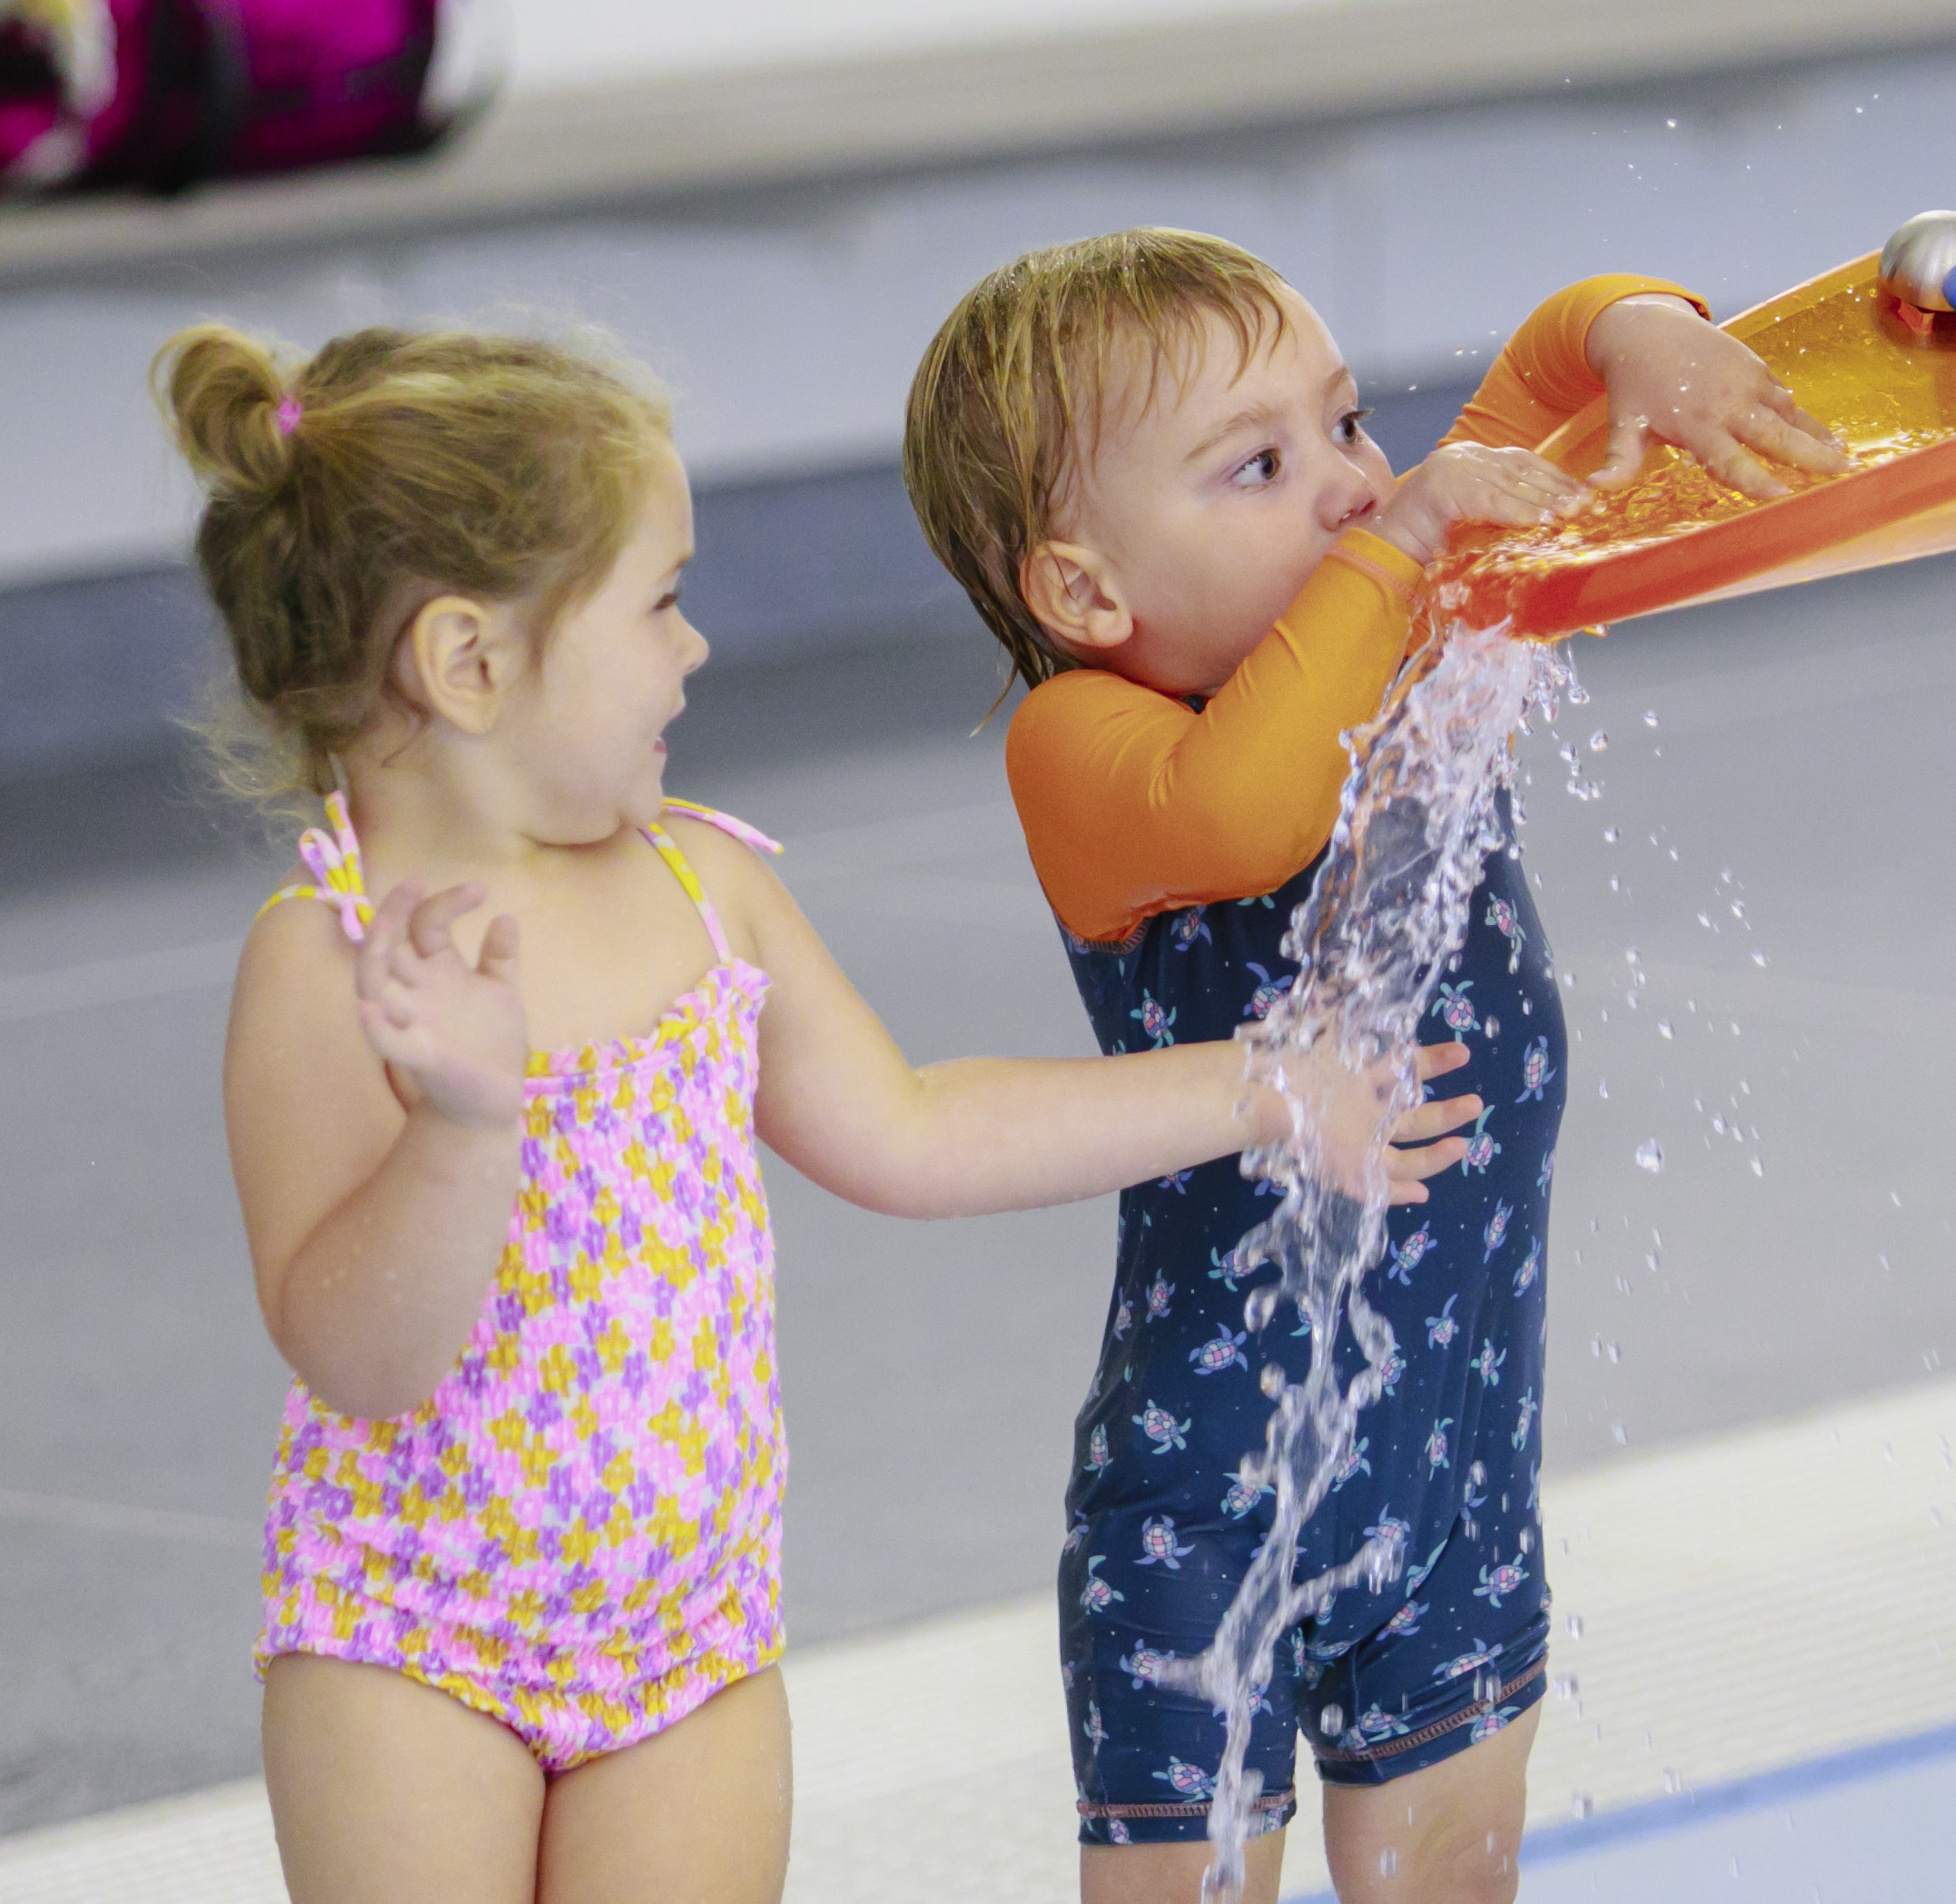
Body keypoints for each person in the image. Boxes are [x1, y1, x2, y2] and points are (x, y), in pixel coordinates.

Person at [161, 319, 1481, 1904]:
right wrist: (459, 1125)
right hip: (412, 1636)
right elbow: (354, 1353)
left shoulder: (699, 884)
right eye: (657, 601)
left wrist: (1262, 1088)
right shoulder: (328, 958)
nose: (697, 648)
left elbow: (914, 1129)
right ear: (467, 661)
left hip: (688, 1643)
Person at [903, 229, 1844, 1903]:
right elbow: (1244, 810)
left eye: (1347, 423)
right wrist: (1403, 539)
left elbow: (1556, 365)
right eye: (1259, 464)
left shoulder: (1377, 607)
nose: (1350, 484)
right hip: (1208, 1504)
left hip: (1458, 1472)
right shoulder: (1091, 739)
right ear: (1085, 590)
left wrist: (1644, 331)